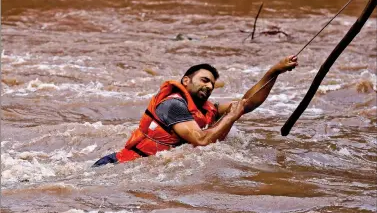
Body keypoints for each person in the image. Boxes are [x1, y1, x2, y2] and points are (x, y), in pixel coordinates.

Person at [92, 55, 298, 167]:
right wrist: (231, 118)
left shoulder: (205, 108)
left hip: (139, 168)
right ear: (186, 81)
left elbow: (247, 103)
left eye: (212, 84)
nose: (209, 86)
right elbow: (200, 140)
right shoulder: (174, 105)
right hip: (117, 166)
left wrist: (274, 72)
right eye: (204, 80)